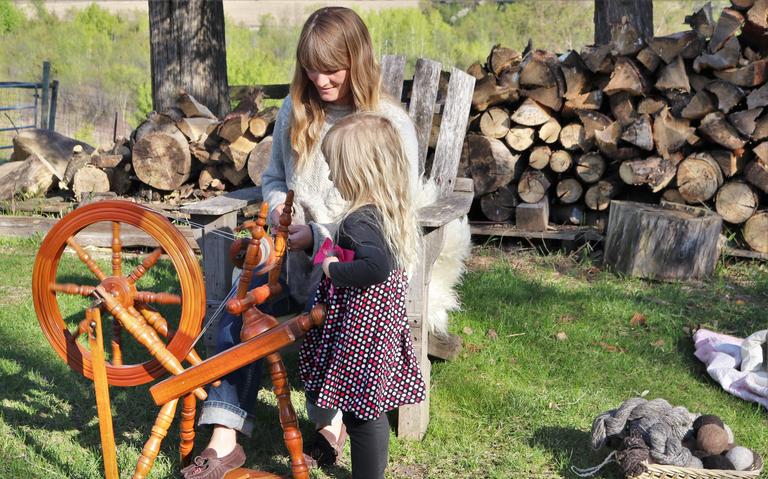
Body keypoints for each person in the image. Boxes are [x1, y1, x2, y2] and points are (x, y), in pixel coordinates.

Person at [181, 7, 419, 479]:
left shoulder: (388, 122)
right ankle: (226, 436)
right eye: (311, 68)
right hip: (296, 255)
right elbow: (272, 179)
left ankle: (330, 429)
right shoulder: (297, 107)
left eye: (332, 68)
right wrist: (281, 215)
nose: (320, 79)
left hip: (351, 275)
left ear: (358, 60)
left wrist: (322, 238)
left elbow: (395, 215)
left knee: (329, 321)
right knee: (237, 302)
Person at [299, 112, 426, 479]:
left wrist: (331, 269)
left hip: (361, 334)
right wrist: (331, 251)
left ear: (357, 170)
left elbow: (375, 267)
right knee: (368, 412)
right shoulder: (383, 212)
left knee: (361, 416)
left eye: (335, 167)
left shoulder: (359, 220)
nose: (332, 177)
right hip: (375, 329)